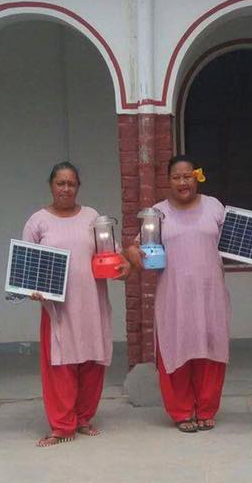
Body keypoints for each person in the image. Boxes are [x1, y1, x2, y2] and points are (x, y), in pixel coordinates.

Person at [22, 161, 130, 447]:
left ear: (78, 187)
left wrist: (124, 268)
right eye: (60, 183)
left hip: (92, 302)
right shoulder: (37, 221)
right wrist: (32, 288)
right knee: (60, 364)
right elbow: (27, 265)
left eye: (71, 183)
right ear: (51, 185)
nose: (66, 189)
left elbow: (113, 254)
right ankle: (61, 425)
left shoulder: (94, 217)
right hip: (57, 308)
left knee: (92, 360)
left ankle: (83, 418)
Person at [126, 155, 229, 432]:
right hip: (174, 295)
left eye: (187, 176)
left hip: (211, 294)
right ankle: (182, 411)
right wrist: (134, 255)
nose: (183, 182)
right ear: (168, 181)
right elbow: (136, 247)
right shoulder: (157, 213)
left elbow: (235, 241)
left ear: (196, 177)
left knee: (211, 352)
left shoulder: (214, 207)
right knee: (176, 350)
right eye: (176, 177)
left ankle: (206, 409)